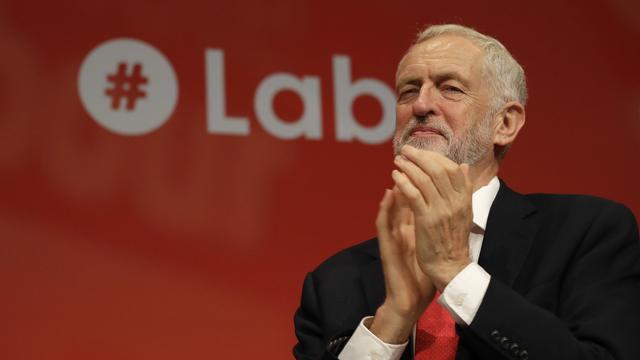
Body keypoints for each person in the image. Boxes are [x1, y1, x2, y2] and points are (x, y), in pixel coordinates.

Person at [292, 24, 640, 360]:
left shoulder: (586, 234)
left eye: (450, 88)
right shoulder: (333, 282)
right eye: (408, 91)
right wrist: (392, 322)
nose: (421, 105)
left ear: (504, 124)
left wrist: (456, 272)